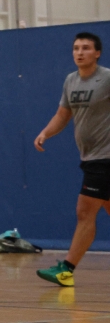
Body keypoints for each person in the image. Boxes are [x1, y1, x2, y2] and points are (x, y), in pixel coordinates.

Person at [33, 32, 110, 287]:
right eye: (76, 48)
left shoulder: (107, 78)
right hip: (89, 157)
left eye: (86, 48)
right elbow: (63, 114)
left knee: (84, 211)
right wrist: (46, 132)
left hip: (105, 157)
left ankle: (66, 269)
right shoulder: (71, 81)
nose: (79, 52)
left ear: (97, 53)